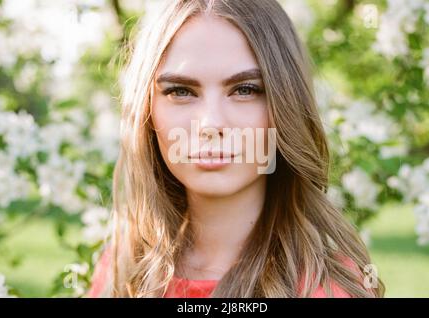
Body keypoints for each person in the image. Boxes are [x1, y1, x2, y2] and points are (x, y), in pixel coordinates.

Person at [88, 0, 384, 298]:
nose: (211, 124)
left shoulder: (325, 290)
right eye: (181, 91)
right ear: (147, 112)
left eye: (245, 90)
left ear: (288, 106)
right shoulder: (123, 269)